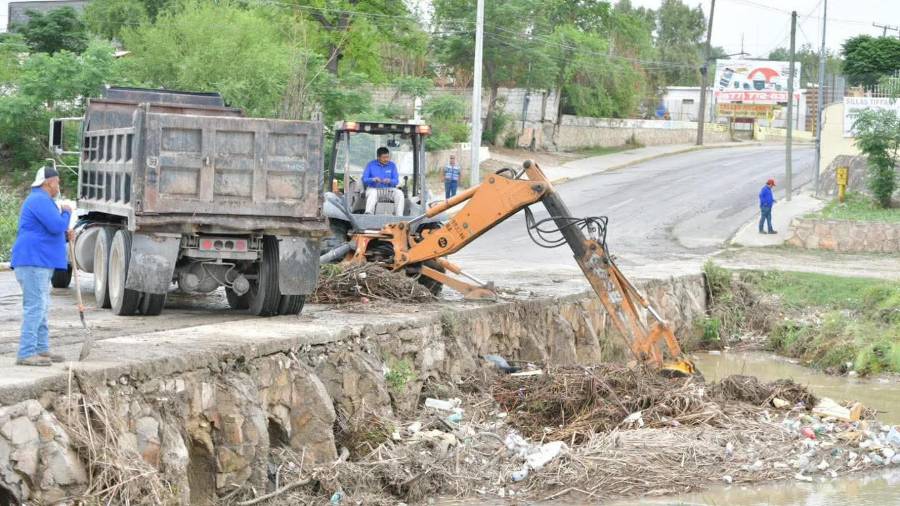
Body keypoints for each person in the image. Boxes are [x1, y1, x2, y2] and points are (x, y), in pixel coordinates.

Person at [10, 166, 73, 366]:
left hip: (38, 260)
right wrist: (67, 213)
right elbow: (56, 225)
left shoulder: (43, 200)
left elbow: (48, 231)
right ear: (48, 183)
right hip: (33, 261)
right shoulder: (39, 199)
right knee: (36, 307)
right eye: (57, 182)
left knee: (42, 306)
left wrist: (65, 235)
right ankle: (26, 352)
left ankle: (41, 349)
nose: (58, 186)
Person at [362, 147, 404, 216]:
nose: (386, 159)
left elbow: (396, 181)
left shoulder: (392, 165)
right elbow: (364, 179)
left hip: (389, 190)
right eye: (384, 157)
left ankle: (399, 216)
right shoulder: (370, 165)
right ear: (378, 157)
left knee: (399, 193)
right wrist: (373, 179)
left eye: (387, 157)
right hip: (374, 189)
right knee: (372, 193)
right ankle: (369, 215)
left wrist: (390, 181)